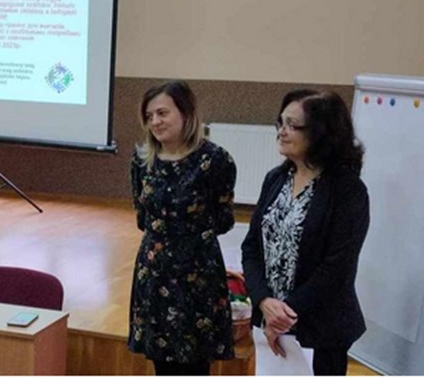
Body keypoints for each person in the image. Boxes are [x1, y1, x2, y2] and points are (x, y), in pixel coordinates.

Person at [241, 89, 369, 375]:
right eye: (281, 123)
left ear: (321, 133)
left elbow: (338, 266)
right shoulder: (276, 179)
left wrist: (285, 314)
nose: (282, 132)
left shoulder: (348, 190)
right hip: (269, 321)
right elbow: (251, 248)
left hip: (320, 328)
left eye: (293, 125)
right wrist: (264, 301)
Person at [128, 81, 237, 376]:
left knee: (195, 362)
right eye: (149, 116)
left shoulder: (215, 160)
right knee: (160, 361)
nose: (155, 122)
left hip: (197, 271)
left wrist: (187, 236)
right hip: (154, 270)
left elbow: (223, 219)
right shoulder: (142, 160)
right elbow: (142, 215)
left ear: (186, 113)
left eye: (162, 113)